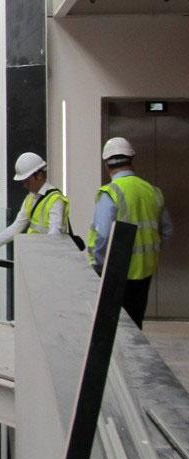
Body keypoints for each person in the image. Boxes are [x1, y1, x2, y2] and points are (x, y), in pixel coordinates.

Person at [88, 136, 172, 329]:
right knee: (135, 325)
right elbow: (166, 230)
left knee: (115, 330)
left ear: (107, 163)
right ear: (131, 160)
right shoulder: (152, 191)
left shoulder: (111, 193)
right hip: (145, 271)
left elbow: (102, 235)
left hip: (116, 272)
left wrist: (97, 265)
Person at [0, 152, 70, 253]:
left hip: (46, 255)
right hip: (35, 253)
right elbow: (16, 227)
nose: (25, 185)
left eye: (27, 181)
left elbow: (54, 234)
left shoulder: (55, 200)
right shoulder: (31, 198)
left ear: (39, 175)